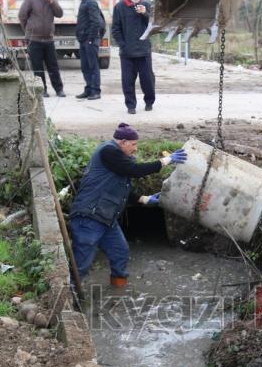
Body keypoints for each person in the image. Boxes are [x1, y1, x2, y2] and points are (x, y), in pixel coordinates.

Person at [69, 123, 187, 287]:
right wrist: (166, 160)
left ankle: (118, 290)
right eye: (133, 144)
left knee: (120, 252)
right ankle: (68, 297)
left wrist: (144, 199)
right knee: (81, 264)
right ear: (123, 142)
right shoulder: (108, 151)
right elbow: (135, 170)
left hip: (106, 218)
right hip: (89, 217)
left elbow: (122, 189)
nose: (136, 149)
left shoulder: (118, 159)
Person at [18, 0, 65, 98]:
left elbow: (60, 14)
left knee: (53, 66)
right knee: (37, 67)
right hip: (34, 40)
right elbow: (22, 16)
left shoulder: (52, 0)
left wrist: (52, 1)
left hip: (49, 39)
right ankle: (42, 90)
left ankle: (59, 89)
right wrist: (28, 31)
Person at [111, 0, 155, 114]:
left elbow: (153, 26)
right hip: (127, 53)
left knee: (147, 80)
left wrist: (145, 14)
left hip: (144, 51)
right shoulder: (119, 7)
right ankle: (131, 106)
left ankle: (149, 102)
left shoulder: (147, 5)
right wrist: (123, 45)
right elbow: (116, 29)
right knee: (127, 81)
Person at [74, 0, 104, 101]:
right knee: (85, 67)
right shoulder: (84, 2)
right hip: (84, 40)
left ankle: (96, 91)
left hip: (90, 41)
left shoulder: (90, 2)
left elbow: (96, 22)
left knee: (93, 66)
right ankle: (89, 89)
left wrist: (91, 39)